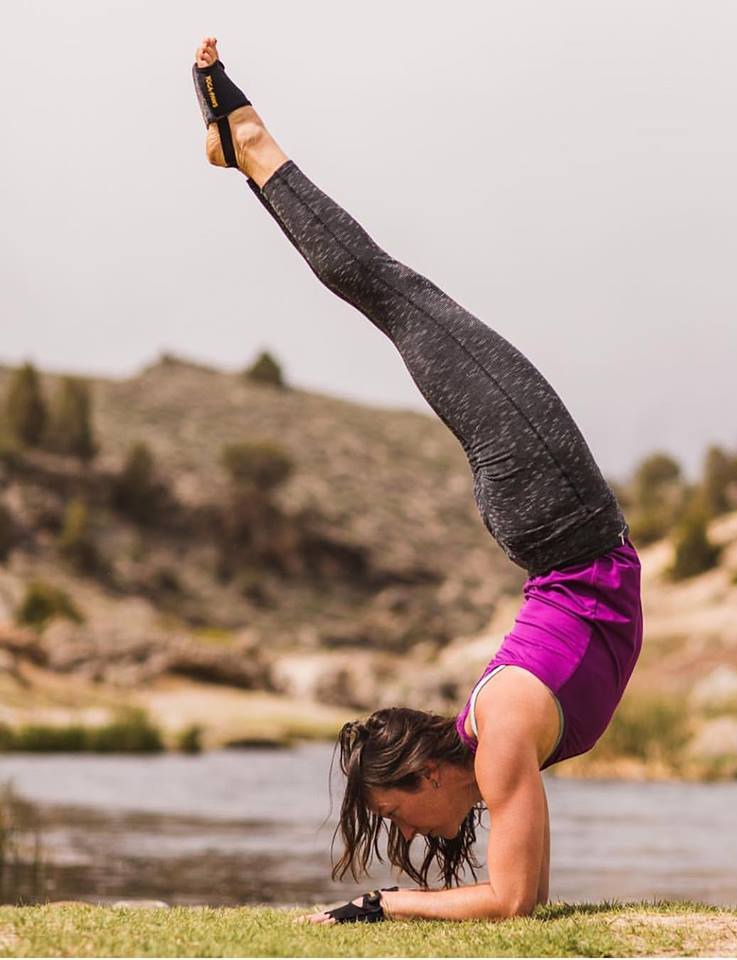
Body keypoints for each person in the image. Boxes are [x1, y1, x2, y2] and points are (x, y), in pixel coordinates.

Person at [193, 36, 643, 923]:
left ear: (428, 770)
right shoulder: (505, 731)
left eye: (401, 812)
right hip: (554, 518)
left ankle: (248, 146)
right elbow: (521, 901)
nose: (419, 833)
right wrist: (388, 905)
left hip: (553, 513)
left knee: (393, 297)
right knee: (394, 298)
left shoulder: (504, 725)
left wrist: (384, 906)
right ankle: (243, 148)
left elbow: (513, 901)